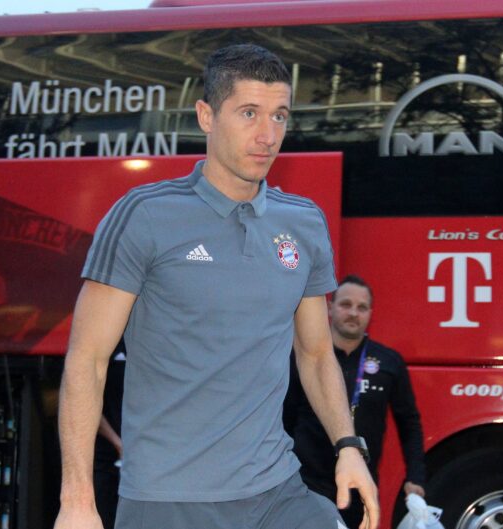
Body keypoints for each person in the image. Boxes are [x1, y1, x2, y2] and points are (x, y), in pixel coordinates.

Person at [53, 44, 379, 529]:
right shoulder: (144, 215)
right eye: (249, 113)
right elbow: (88, 359)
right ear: (206, 116)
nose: (267, 135)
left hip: (277, 492)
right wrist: (77, 500)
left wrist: (347, 445)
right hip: (169, 501)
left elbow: (314, 355)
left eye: (279, 115)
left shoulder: (304, 222)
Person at [285, 275, 427, 529]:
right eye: (345, 304)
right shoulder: (305, 360)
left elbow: (409, 425)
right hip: (306, 483)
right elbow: (285, 417)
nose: (353, 313)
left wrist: (415, 477)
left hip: (359, 485)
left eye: (362, 307)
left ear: (371, 313)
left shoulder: (389, 362)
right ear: (330, 308)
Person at [93, 339, 126, 529]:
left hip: (139, 458)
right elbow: (85, 402)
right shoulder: (105, 344)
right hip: (104, 459)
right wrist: (117, 443)